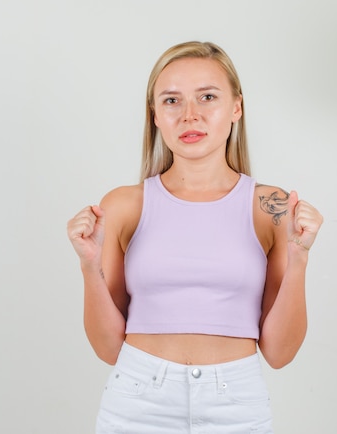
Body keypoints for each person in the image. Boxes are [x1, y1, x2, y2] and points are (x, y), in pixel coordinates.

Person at [66, 41, 323, 434]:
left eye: (207, 97)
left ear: (237, 107)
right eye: (171, 101)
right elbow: (107, 348)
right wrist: (88, 265)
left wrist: (300, 258)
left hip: (237, 404)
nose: (190, 115)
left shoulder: (271, 207)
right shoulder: (123, 206)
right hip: (137, 402)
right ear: (154, 115)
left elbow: (279, 353)